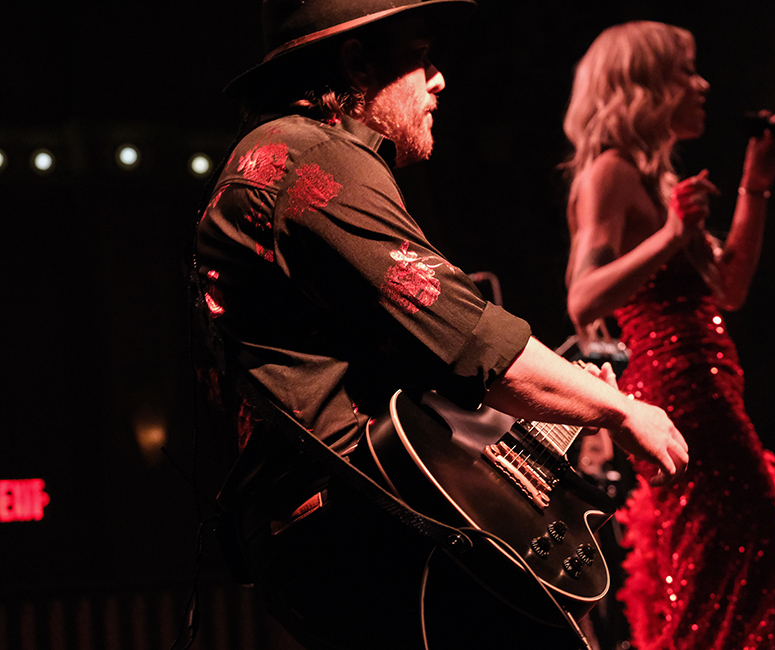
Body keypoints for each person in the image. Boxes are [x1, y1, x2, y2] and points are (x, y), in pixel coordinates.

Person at [193, 2, 688, 649]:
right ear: (356, 64)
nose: (439, 79)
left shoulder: (279, 156)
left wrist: (561, 403)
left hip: (327, 527)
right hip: (363, 527)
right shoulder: (313, 158)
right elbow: (465, 337)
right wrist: (618, 410)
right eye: (420, 57)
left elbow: (409, 375)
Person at [561, 21, 775, 650]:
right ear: (646, 86)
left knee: (741, 571)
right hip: (679, 398)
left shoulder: (657, 183)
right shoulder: (611, 171)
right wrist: (670, 236)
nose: (702, 83)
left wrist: (757, 182)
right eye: (685, 70)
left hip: (711, 395)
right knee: (740, 574)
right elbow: (582, 298)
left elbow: (730, 288)